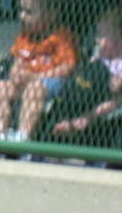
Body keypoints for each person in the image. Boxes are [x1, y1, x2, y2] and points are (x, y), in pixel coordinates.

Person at [0, 0, 78, 143]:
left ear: (51, 15)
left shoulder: (61, 37)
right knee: (0, 89)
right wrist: (15, 73)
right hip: (24, 82)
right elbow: (17, 61)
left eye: (29, 12)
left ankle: (23, 137)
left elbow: (68, 67)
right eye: (21, 10)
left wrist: (37, 77)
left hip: (48, 83)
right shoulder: (24, 37)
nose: (21, 16)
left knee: (34, 90)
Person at [49, 10, 122, 142]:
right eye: (97, 34)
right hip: (87, 95)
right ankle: (65, 119)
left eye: (102, 35)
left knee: (111, 102)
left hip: (109, 100)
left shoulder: (119, 62)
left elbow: (116, 89)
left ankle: (86, 118)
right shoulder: (100, 55)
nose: (97, 40)